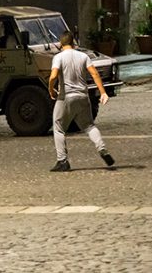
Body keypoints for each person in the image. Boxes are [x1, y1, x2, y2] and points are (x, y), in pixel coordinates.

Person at [47, 31, 113, 172]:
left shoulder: (58, 57)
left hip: (66, 97)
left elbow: (53, 76)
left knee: (58, 127)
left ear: (60, 44)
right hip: (83, 96)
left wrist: (51, 90)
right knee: (89, 126)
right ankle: (102, 148)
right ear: (73, 43)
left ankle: (62, 161)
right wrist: (103, 92)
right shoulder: (83, 56)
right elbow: (94, 73)